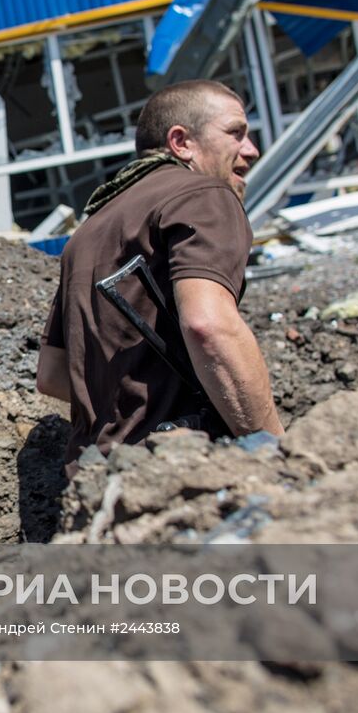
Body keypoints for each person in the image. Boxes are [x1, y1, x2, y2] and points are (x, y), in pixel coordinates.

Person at [36, 79, 282, 464]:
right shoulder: (203, 195)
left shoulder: (87, 231)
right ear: (181, 142)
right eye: (236, 133)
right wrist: (275, 449)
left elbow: (51, 375)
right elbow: (209, 327)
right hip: (182, 469)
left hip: (93, 483)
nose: (251, 150)